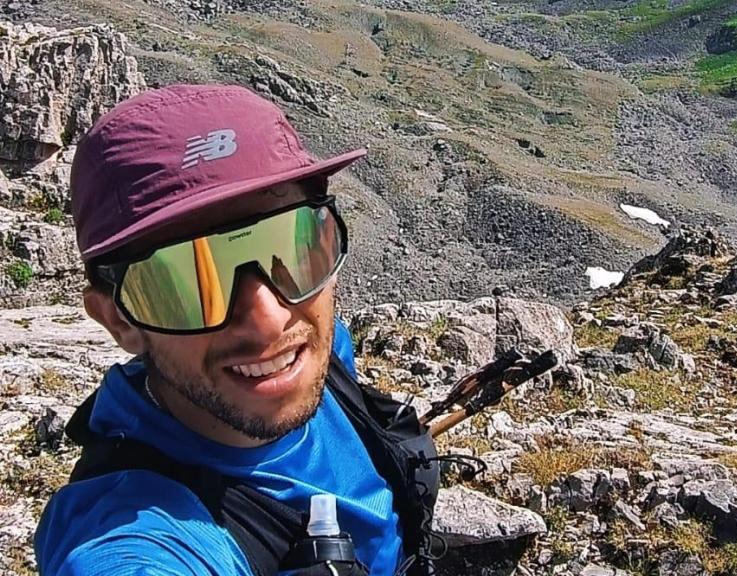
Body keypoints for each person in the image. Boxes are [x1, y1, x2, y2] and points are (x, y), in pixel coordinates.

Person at [34, 85, 440, 576]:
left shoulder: (328, 357)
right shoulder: (136, 531)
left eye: (291, 249)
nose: (269, 318)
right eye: (188, 280)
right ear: (119, 319)